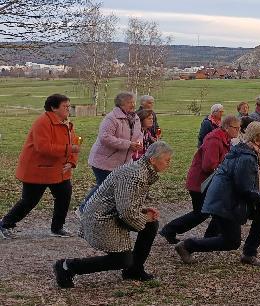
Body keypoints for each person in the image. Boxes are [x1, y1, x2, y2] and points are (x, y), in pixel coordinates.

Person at [53, 142, 173, 288]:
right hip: (100, 218)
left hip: (111, 214)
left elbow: (125, 201)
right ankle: (67, 266)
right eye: (167, 160)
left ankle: (134, 270)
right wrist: (144, 217)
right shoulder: (136, 175)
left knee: (151, 224)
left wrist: (143, 211)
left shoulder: (142, 170)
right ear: (153, 160)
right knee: (122, 260)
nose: (169, 164)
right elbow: (126, 212)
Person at [174, 123, 260, 267]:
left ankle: (249, 254)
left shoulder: (251, 153)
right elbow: (245, 189)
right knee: (231, 242)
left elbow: (251, 181)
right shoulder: (246, 158)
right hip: (226, 202)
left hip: (231, 199)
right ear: (256, 139)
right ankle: (187, 245)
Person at [0, 94, 79, 239]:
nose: (69, 109)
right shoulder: (42, 122)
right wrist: (70, 149)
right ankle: (5, 224)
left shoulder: (66, 122)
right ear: (54, 108)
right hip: (37, 169)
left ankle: (57, 228)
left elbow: (74, 143)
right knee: (29, 201)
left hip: (59, 169)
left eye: (69, 106)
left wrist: (71, 161)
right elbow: (43, 147)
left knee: (64, 195)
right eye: (65, 106)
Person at [159, 116, 242, 244]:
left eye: (239, 128)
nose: (238, 130)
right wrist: (225, 170)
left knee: (216, 209)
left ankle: (210, 238)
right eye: (236, 128)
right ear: (226, 127)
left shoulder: (224, 139)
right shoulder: (214, 139)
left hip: (209, 182)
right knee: (201, 213)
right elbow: (208, 165)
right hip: (201, 183)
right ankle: (170, 230)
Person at [82, 92, 143, 212]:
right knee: (103, 187)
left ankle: (106, 211)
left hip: (123, 162)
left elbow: (139, 133)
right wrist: (129, 145)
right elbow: (105, 138)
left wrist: (138, 143)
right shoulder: (112, 118)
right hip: (104, 161)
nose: (133, 105)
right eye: (129, 102)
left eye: (133, 102)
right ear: (121, 104)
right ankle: (84, 209)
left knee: (115, 188)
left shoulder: (135, 117)